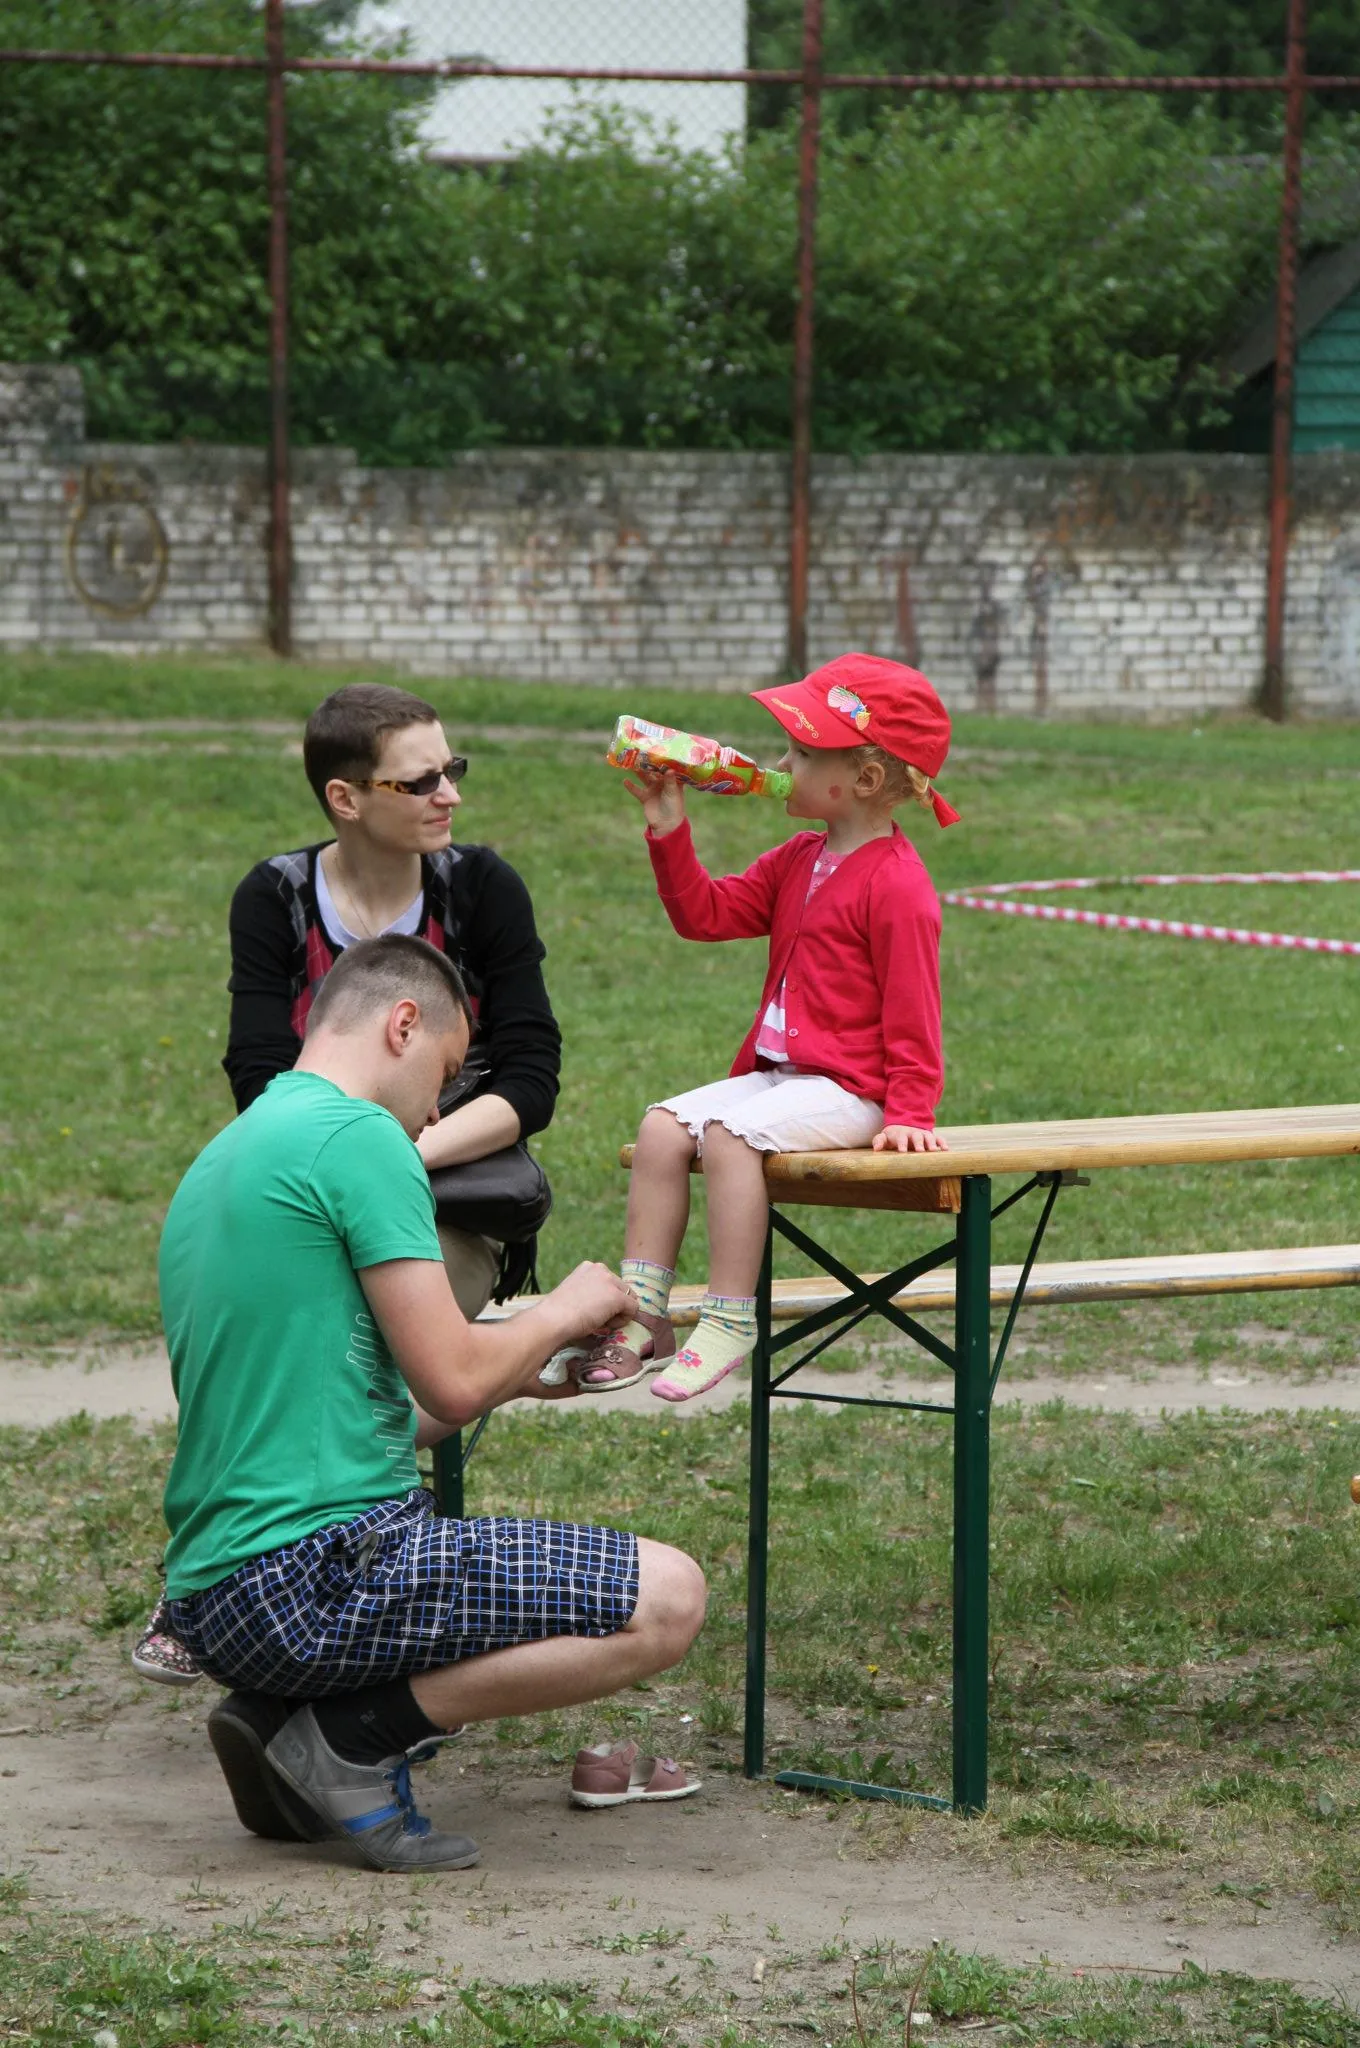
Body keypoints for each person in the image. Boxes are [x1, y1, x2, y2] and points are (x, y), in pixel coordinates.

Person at [157, 933, 706, 1871]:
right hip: (314, 1576)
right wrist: (565, 1309)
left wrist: (515, 1373)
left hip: (214, 1596)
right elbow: (447, 1376)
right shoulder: (361, 1136)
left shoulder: (228, 1153)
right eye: (447, 1073)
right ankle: (349, 1737)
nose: (441, 1106)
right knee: (668, 1599)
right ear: (402, 1025)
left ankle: (292, 1713)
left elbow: (368, 1412)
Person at [134, 680, 561, 1686]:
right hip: (308, 1175)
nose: (447, 793)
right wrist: (347, 1163)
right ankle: (242, 1565)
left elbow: (532, 1077)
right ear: (344, 797)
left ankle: (309, 1558)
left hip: (449, 1190)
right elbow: (255, 1071)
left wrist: (395, 1160)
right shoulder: (275, 896)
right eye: (419, 778)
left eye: (453, 769)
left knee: (393, 1362)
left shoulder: (483, 887)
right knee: (268, 1345)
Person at [575, 653, 955, 1405]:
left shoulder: (898, 884)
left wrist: (911, 1112)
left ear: (865, 781)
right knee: (659, 1128)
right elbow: (705, 916)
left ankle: (728, 1317)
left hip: (854, 1091)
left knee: (727, 1135)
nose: (783, 762)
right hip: (783, 1081)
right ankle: (644, 1315)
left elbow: (917, 1010)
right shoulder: (800, 857)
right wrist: (670, 832)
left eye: (805, 753)